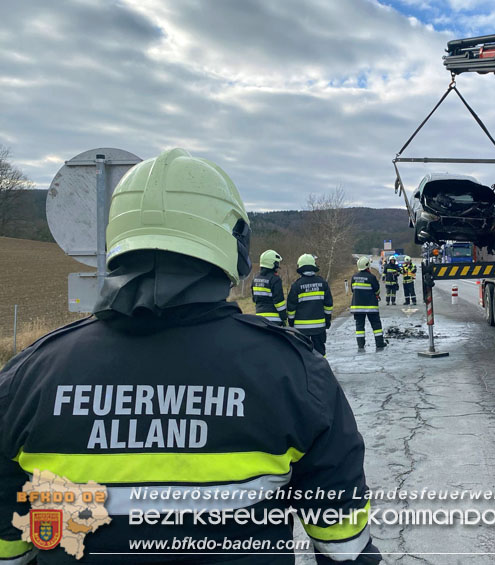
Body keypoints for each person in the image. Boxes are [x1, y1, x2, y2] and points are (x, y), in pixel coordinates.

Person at [0, 148, 380, 565]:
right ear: (233, 245)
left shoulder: (27, 379)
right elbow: (343, 545)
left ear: (115, 242)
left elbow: (10, 551)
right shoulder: (295, 374)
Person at [287, 254, 333, 357]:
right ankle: (322, 371)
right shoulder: (323, 283)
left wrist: (291, 322)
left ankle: (306, 372)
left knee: (303, 353)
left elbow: (291, 308)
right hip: (319, 326)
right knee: (321, 352)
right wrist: (327, 319)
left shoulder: (296, 286)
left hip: (301, 328)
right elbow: (328, 305)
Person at [350, 257, 386, 352]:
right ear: (367, 266)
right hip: (371, 307)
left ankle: (360, 345)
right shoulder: (371, 277)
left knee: (359, 327)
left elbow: (352, 290)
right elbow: (377, 290)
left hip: (357, 307)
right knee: (376, 325)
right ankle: (379, 344)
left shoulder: (354, 277)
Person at [251, 249, 287, 325]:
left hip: (259, 319)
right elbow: (279, 302)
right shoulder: (275, 279)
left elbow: (254, 299)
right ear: (272, 264)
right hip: (274, 320)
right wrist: (284, 317)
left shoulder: (255, 279)